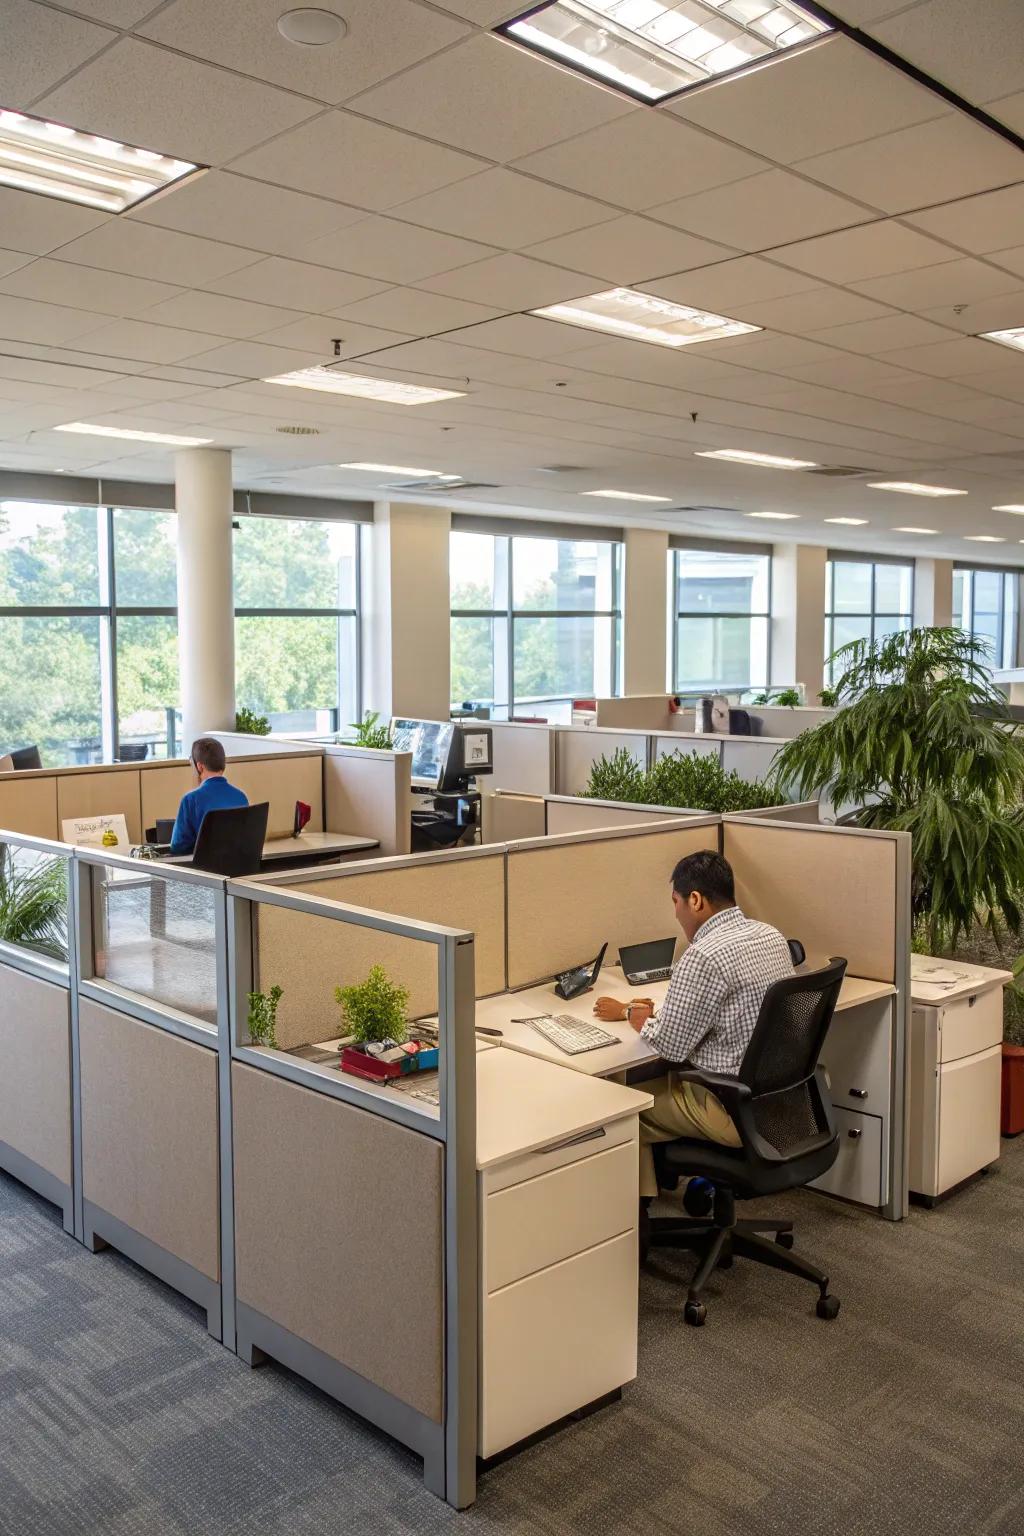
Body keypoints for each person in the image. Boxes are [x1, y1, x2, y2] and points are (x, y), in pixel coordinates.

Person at [592, 849, 793, 1199]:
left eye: (676, 902)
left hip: (730, 1108)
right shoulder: (770, 935)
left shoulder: (703, 955)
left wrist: (632, 1015)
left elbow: (669, 1046)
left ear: (695, 900)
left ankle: (637, 1229)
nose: (677, 913)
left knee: (620, 1108)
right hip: (780, 1101)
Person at [169, 737, 249, 856]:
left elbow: (178, 847)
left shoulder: (191, 800)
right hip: (239, 868)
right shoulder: (241, 797)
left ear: (200, 766)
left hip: (205, 870)